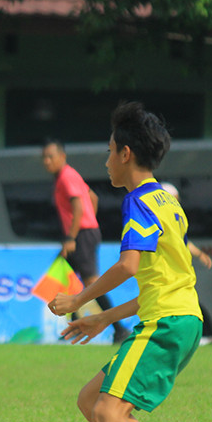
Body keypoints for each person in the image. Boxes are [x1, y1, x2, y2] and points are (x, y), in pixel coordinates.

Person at [48, 102, 201, 422]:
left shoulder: (137, 202)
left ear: (126, 153)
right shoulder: (167, 203)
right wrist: (102, 318)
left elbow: (129, 266)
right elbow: (158, 282)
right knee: (90, 399)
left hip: (166, 323)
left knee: (109, 412)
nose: (106, 160)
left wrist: (80, 297)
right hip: (181, 317)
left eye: (110, 150)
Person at [41, 139, 130, 342]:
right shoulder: (69, 175)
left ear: (62, 157)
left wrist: (73, 236)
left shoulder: (65, 176)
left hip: (81, 235)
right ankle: (72, 329)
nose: (46, 161)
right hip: (85, 232)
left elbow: (79, 206)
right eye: (44, 158)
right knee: (68, 276)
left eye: (50, 156)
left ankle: (119, 329)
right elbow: (93, 197)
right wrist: (91, 221)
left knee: (91, 282)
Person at [161, 183, 212, 270]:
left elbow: (181, 240)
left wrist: (199, 254)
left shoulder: (176, 218)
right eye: (174, 200)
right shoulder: (159, 218)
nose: (176, 204)